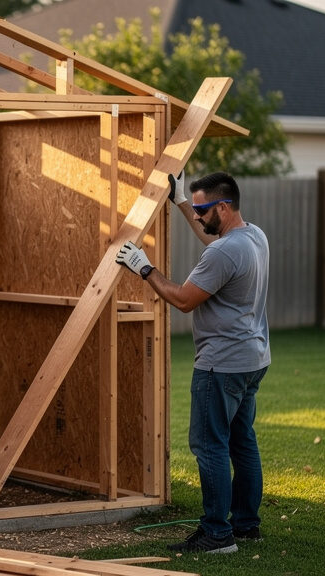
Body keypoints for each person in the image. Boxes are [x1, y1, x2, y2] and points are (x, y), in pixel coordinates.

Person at [115, 171, 271, 554]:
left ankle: (217, 535)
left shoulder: (223, 253)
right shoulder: (253, 236)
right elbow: (212, 239)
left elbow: (184, 300)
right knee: (242, 442)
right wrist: (182, 200)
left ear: (223, 207)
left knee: (209, 445)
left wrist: (144, 268)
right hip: (251, 359)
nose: (198, 217)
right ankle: (246, 525)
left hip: (221, 364)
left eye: (203, 210)